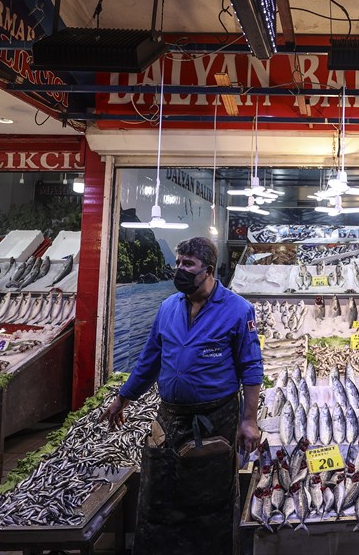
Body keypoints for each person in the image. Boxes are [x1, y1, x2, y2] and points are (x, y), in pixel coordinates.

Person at [102, 237, 262, 555]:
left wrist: (249, 421)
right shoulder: (167, 307)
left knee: (211, 498)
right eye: (178, 263)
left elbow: (252, 368)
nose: (180, 270)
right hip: (170, 417)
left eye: (188, 264)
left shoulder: (239, 310)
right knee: (158, 491)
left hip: (216, 418)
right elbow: (149, 359)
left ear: (209, 270)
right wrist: (124, 397)